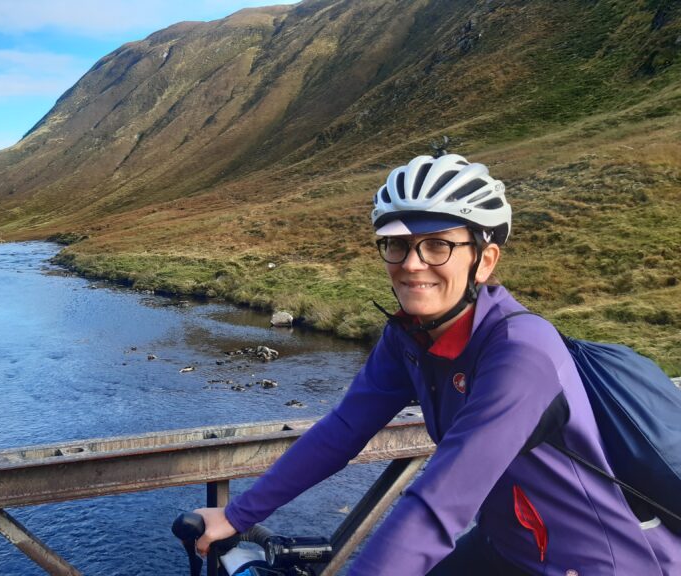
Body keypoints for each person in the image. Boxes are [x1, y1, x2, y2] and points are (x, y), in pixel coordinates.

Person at [193, 154, 681, 574]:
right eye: (398, 244)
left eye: (437, 245)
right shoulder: (409, 337)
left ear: (484, 260)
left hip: (597, 563)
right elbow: (343, 429)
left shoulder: (521, 352)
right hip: (506, 548)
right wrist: (238, 515)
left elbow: (438, 504)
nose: (411, 263)